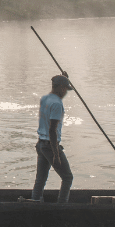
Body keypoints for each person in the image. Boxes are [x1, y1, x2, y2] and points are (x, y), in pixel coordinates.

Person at [32, 74, 73, 203]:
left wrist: (64, 77)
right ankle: (61, 205)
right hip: (50, 146)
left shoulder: (46, 99)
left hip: (41, 144)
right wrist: (56, 154)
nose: (66, 92)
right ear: (60, 88)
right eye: (65, 89)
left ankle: (35, 202)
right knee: (67, 177)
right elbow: (52, 130)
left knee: (41, 179)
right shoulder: (57, 104)